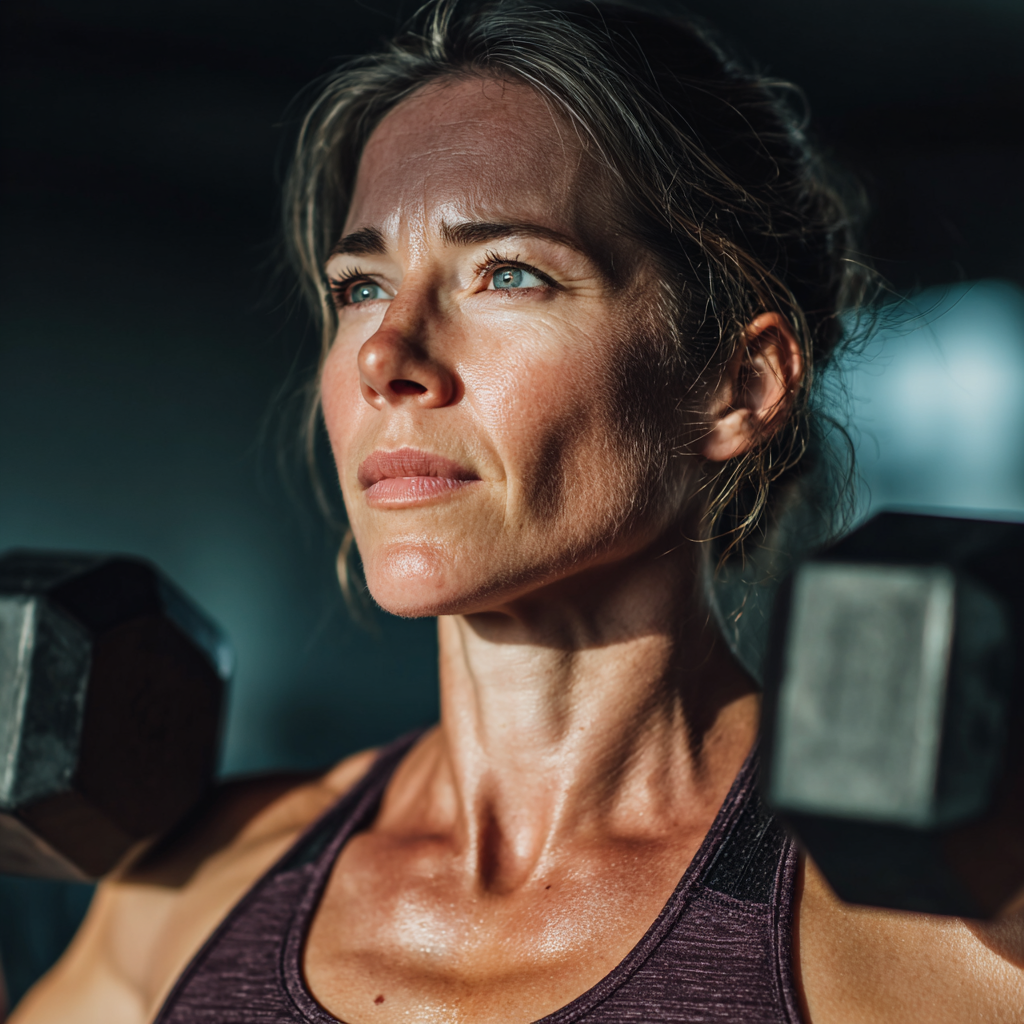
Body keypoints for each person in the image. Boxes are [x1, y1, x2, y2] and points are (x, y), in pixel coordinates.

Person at [11, 2, 1024, 1022]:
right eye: (361, 286)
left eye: (508, 272)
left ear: (738, 383)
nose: (385, 355)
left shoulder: (922, 934)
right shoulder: (195, 894)